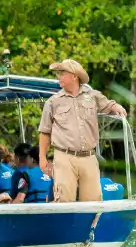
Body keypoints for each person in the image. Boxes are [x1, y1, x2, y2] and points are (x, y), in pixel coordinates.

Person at [39, 58, 127, 202]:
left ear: (74, 76)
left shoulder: (93, 96)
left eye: (61, 73)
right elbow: (44, 132)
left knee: (94, 202)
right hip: (64, 157)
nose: (58, 77)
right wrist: (42, 158)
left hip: (89, 157)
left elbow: (109, 105)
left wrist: (117, 107)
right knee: (64, 201)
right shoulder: (53, 102)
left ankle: (91, 225)